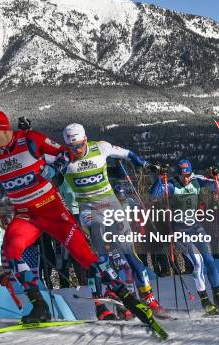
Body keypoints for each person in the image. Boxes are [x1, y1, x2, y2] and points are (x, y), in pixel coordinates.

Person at [0, 110, 156, 327]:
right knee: (11, 250)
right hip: (26, 215)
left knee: (86, 258)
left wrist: (55, 168)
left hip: (52, 209)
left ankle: (126, 297)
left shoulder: (30, 140)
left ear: (3, 128)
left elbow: (65, 153)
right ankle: (39, 305)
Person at [61, 123, 166, 319]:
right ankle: (108, 298)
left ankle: (148, 298)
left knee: (129, 254)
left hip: (111, 204)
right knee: (100, 253)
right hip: (88, 209)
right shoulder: (63, 158)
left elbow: (127, 154)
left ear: (85, 140)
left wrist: (146, 165)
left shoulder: (100, 147)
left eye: (78, 146)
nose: (76, 151)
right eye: (71, 148)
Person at [151, 159, 219, 313]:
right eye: (183, 176)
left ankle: (217, 297)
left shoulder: (197, 180)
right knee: (198, 262)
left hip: (196, 227)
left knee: (210, 261)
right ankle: (205, 301)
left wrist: (217, 176)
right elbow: (153, 195)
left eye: (188, 175)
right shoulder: (172, 184)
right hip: (180, 231)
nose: (186, 178)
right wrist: (160, 177)